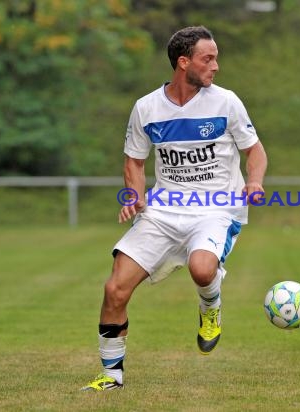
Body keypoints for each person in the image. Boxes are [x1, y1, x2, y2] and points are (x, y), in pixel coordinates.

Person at [81, 26, 267, 391]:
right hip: (164, 209)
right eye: (208, 58)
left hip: (216, 207)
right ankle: (111, 376)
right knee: (115, 288)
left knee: (202, 269)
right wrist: (134, 196)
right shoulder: (147, 108)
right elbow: (134, 162)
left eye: (216, 57)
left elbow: (254, 151)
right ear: (184, 63)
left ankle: (210, 307)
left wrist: (255, 182)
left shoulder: (226, 101)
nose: (216, 66)